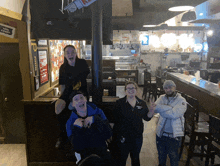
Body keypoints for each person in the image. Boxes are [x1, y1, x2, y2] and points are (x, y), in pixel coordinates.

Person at [111, 81, 155, 166]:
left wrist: (152, 111)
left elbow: (147, 118)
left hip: (137, 136)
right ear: (125, 91)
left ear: (136, 90)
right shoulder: (119, 103)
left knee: (135, 158)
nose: (131, 90)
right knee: (121, 159)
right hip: (123, 137)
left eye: (133, 88)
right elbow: (113, 120)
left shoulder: (141, 103)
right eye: (128, 88)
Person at [55, 45, 90, 148]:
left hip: (81, 91)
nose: (70, 54)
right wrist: (62, 98)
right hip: (68, 92)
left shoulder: (82, 63)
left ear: (76, 53)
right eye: (68, 53)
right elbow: (62, 85)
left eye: (72, 52)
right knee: (58, 106)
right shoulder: (63, 67)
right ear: (65, 55)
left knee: (76, 106)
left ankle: (82, 135)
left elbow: (85, 77)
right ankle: (62, 135)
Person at [66, 90, 113, 162]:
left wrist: (96, 119)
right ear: (72, 104)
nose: (80, 101)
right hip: (85, 157)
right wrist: (77, 128)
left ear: (86, 99)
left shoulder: (98, 112)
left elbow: (108, 134)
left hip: (102, 153)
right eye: (76, 99)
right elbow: (77, 147)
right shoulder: (70, 122)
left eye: (81, 98)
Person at [149, 80, 187, 166]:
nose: (168, 90)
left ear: (174, 87)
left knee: (173, 160)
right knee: (161, 159)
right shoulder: (162, 97)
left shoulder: (181, 100)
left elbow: (174, 114)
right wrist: (170, 108)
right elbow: (155, 108)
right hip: (161, 134)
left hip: (174, 136)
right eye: (166, 88)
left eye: (170, 87)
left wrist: (161, 108)